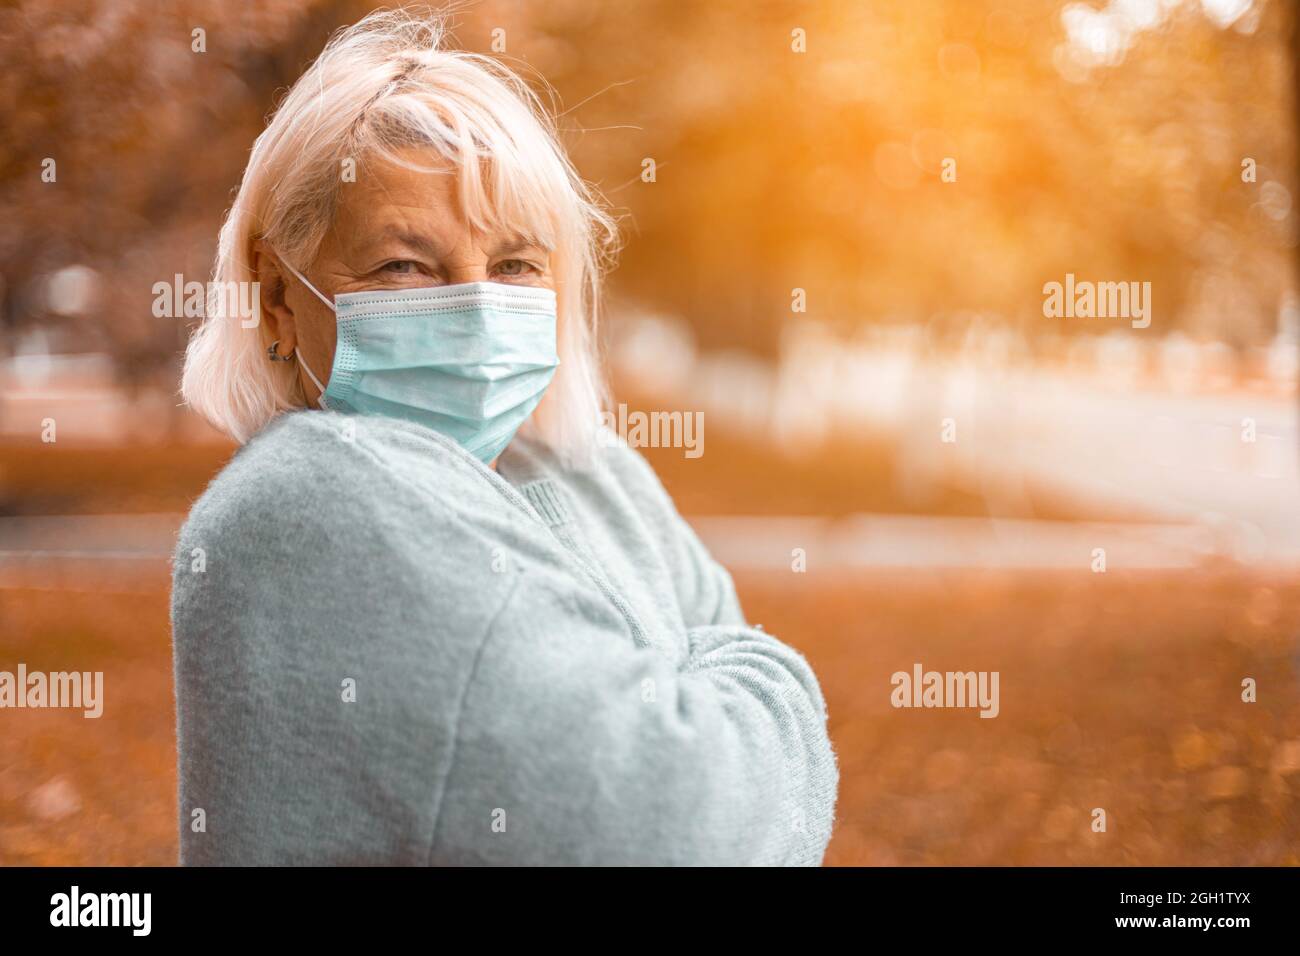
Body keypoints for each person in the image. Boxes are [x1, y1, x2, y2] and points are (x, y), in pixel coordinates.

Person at [171, 9, 838, 865]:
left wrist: (704, 717)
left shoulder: (583, 468)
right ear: (274, 293)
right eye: (403, 265)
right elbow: (683, 829)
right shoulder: (308, 505)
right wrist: (762, 679)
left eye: (516, 265)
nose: (479, 305)